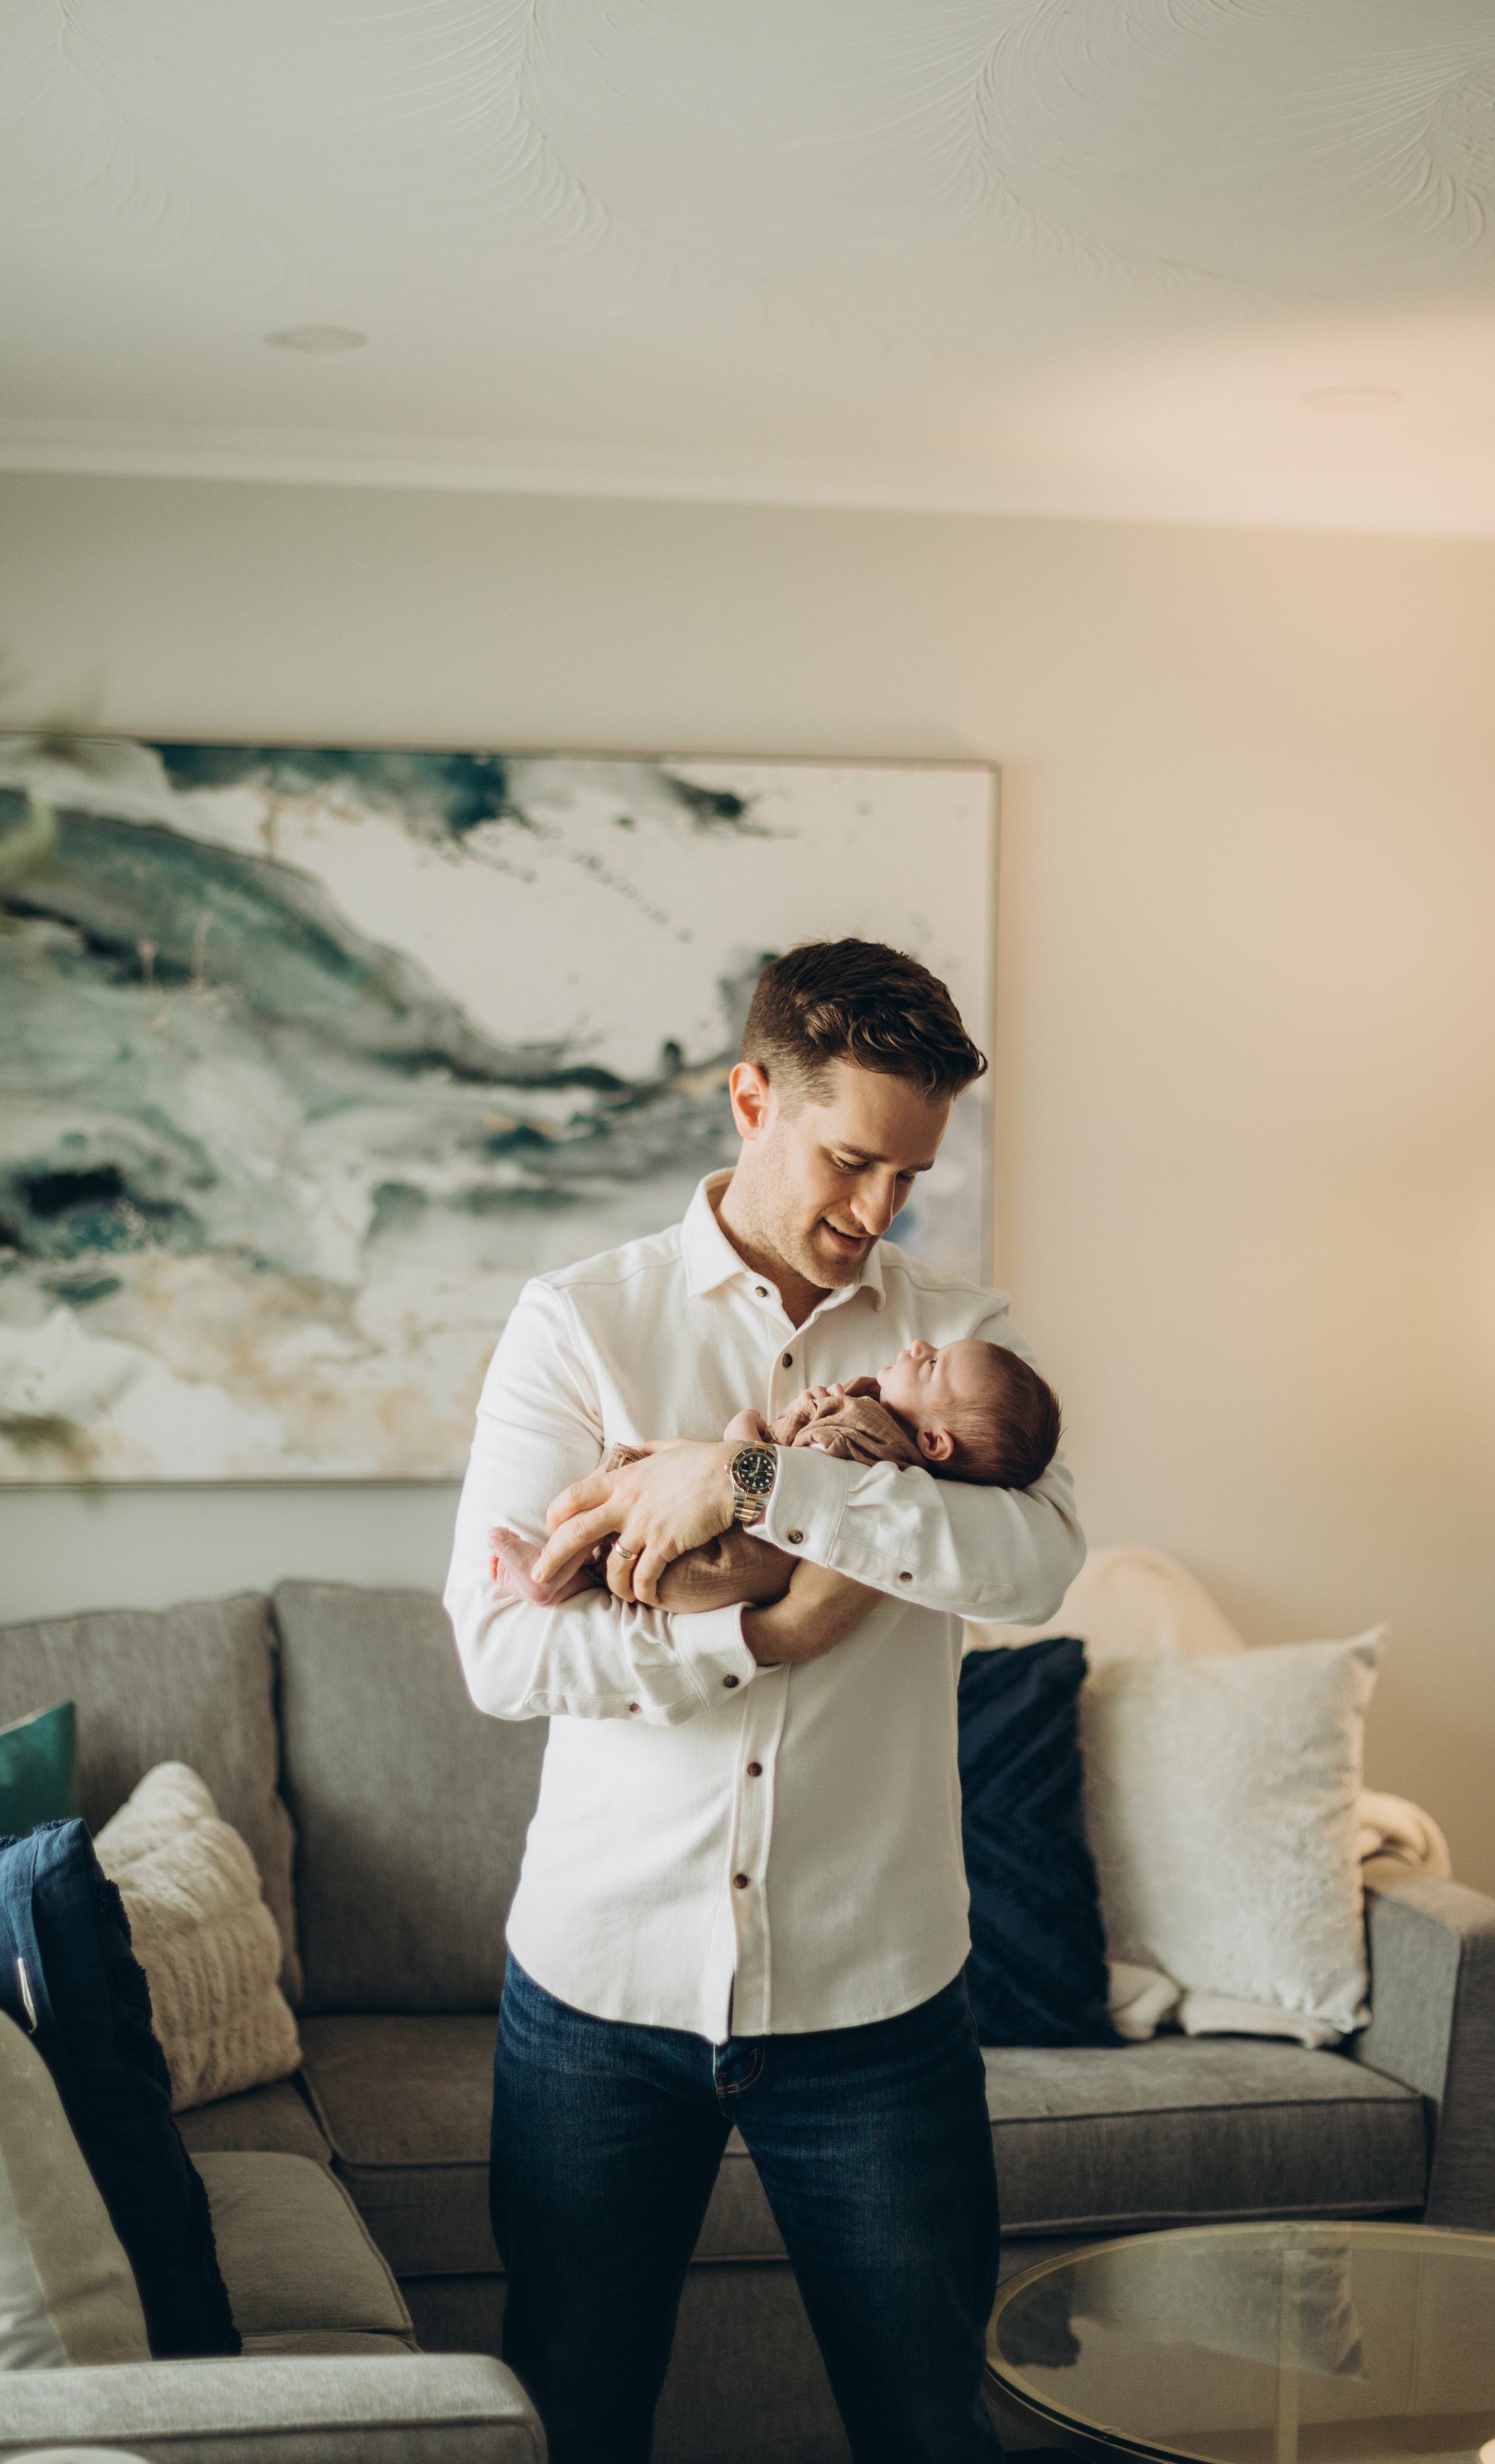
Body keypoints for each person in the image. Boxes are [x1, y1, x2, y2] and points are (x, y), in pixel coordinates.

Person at [443, 937, 1085, 2464]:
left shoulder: (958, 1336)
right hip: (599, 1996)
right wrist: (768, 1635)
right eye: (851, 1158)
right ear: (750, 1095)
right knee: (574, 2420)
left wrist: (742, 1473)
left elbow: (1030, 1566)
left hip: (875, 1999)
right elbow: (501, 1655)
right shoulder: (579, 1323)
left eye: (907, 1175)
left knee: (933, 2424)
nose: (876, 1213)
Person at [488, 1332, 1063, 1610]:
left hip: (707, 1568)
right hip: (703, 1582)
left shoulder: (870, 1442)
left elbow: (768, 1474)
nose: (917, 1344)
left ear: (935, 1441)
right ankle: (564, 1577)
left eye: (932, 1362)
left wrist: (733, 1448)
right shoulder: (882, 1440)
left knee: (628, 1491)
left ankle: (553, 1573)